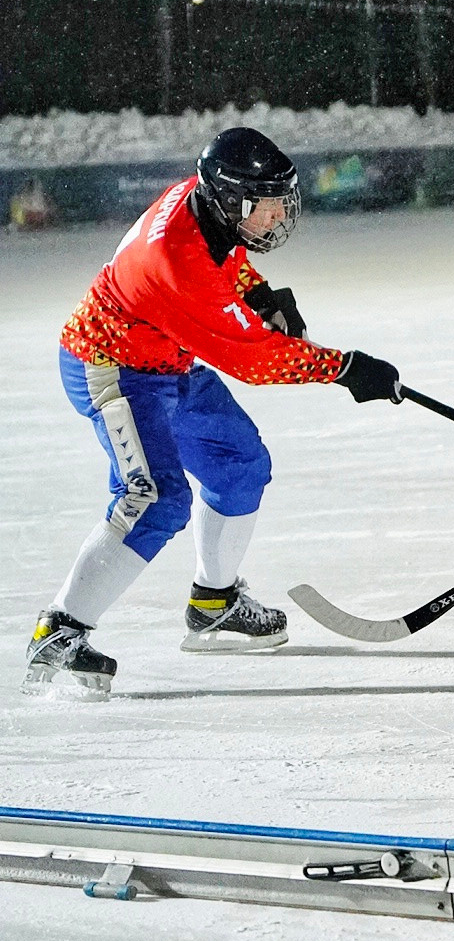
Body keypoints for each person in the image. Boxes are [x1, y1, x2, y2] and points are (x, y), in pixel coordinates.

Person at [24, 126, 402, 696]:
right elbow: (254, 359)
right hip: (112, 366)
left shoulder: (200, 204)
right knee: (154, 498)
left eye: (281, 204)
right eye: (268, 207)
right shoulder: (176, 262)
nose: (277, 218)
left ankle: (214, 603)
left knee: (238, 462)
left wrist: (258, 294)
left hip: (164, 360)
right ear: (231, 201)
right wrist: (346, 368)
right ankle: (59, 631)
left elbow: (224, 266)